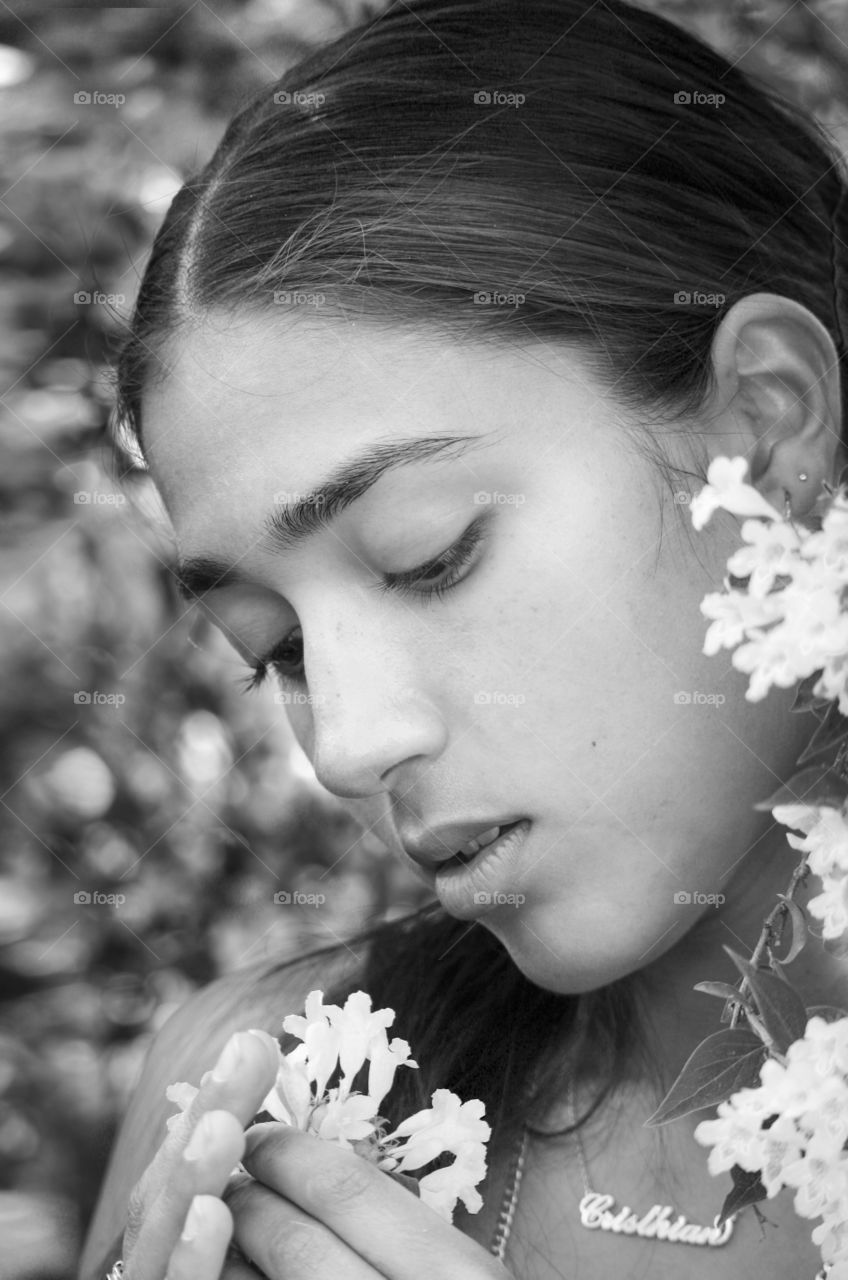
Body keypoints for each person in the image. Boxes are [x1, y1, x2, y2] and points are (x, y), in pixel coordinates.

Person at [78, 1, 848, 1277]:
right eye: (273, 645)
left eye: (428, 555)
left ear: (764, 426)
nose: (348, 743)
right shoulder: (253, 1099)